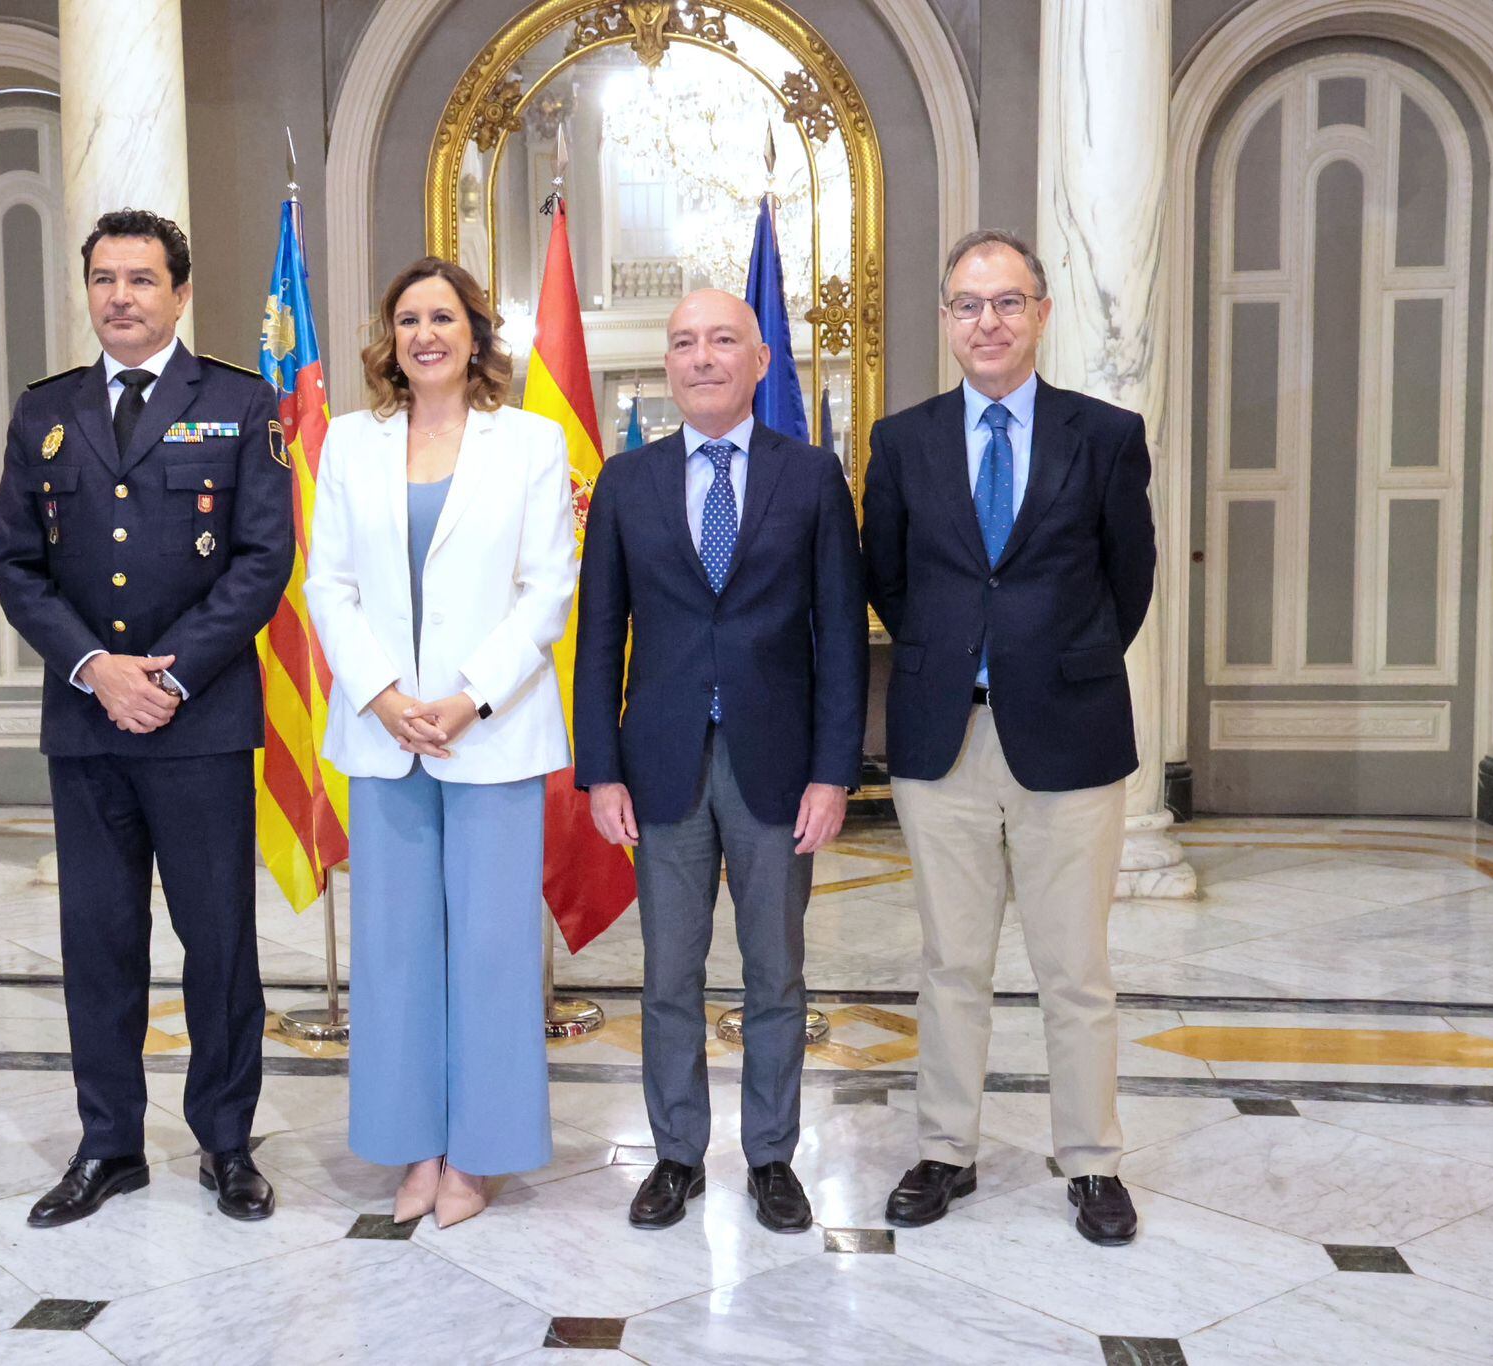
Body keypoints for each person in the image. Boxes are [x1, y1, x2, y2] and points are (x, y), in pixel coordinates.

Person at [0, 208, 292, 1226]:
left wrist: (166, 676)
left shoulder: (242, 406)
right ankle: (108, 1144)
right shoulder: (45, 412)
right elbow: (16, 566)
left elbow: (262, 560)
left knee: (217, 944)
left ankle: (225, 1143)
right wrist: (93, 668)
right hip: (86, 728)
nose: (119, 295)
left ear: (179, 292)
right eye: (103, 279)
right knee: (100, 940)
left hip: (199, 723)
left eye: (140, 279)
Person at [863, 229, 1155, 1245]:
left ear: (1038, 312)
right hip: (940, 741)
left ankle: (1090, 1162)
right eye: (965, 304)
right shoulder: (900, 442)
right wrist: (959, 659)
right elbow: (890, 582)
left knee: (1072, 966)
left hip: (1068, 739)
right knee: (949, 961)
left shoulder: (1105, 434)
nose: (984, 321)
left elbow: (1128, 585)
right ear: (944, 319)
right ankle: (944, 1150)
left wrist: (1049, 661)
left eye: (1004, 302)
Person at [576, 289, 866, 1234]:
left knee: (775, 971)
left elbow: (840, 640)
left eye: (723, 341)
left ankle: (774, 1156)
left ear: (759, 360)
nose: (702, 357)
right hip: (659, 765)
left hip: (779, 769)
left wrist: (835, 773)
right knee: (668, 973)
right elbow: (599, 637)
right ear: (668, 364)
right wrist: (600, 770)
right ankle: (675, 1155)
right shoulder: (626, 482)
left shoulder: (812, 476)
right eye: (684, 343)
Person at [305, 257, 576, 1229]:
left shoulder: (532, 443)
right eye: (408, 317)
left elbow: (545, 589)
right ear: (391, 336)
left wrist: (467, 699)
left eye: (444, 316)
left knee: (496, 948)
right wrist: (381, 694)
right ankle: (413, 1143)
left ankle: (481, 1151)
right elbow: (326, 583)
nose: (426, 333)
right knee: (394, 948)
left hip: (488, 735)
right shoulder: (346, 443)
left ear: (475, 332)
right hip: (382, 735)